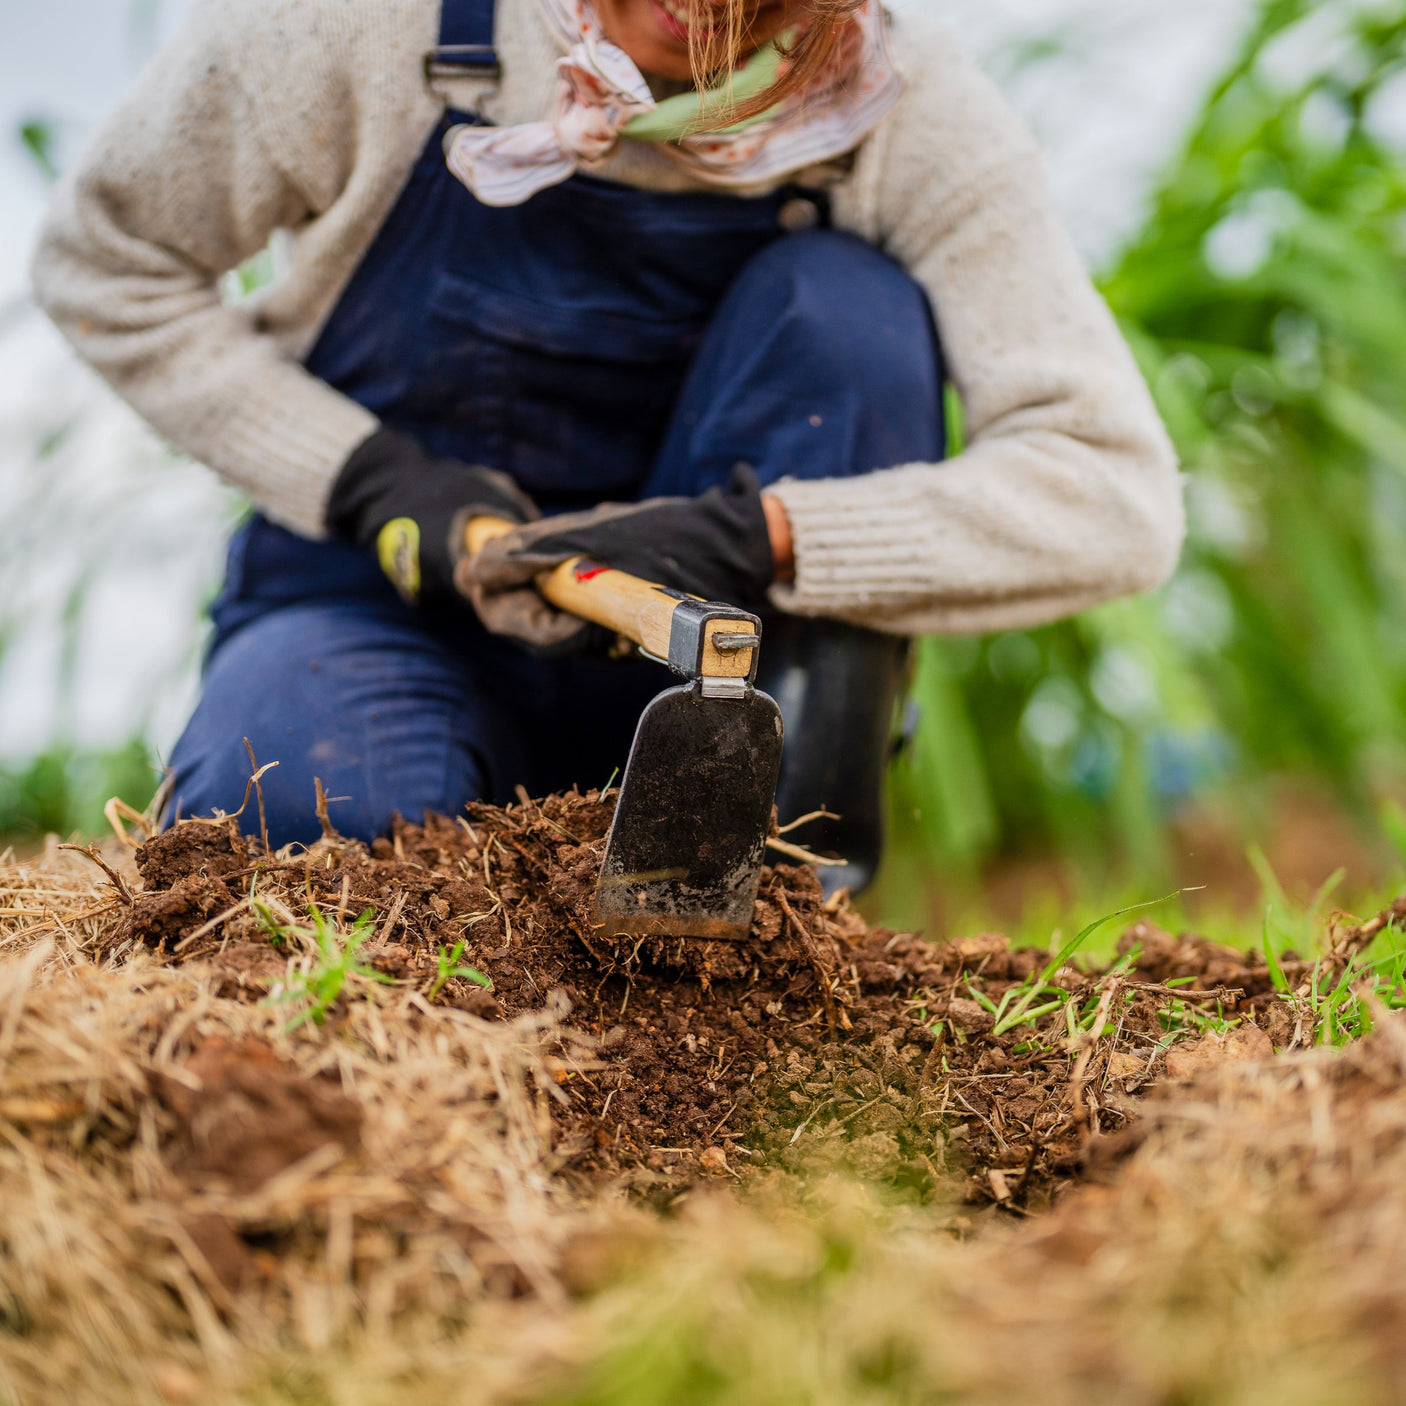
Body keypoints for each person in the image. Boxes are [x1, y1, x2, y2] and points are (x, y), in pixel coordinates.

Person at [31, 0, 1183, 892]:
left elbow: (1113, 495)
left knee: (848, 308)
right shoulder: (369, 27)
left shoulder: (899, 113)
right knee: (292, 830)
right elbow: (107, 269)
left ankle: (750, 906)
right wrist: (370, 478)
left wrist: (762, 537)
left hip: (718, 676)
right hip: (375, 612)